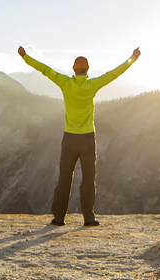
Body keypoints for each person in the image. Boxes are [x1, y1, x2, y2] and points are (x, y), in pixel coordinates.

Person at [18, 46, 141, 226]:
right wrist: (133, 58)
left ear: (74, 69)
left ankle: (59, 218)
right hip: (87, 140)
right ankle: (88, 218)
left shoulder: (65, 83)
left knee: (64, 179)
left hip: (69, 139)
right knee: (88, 180)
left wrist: (25, 57)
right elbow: (114, 74)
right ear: (87, 70)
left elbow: (45, 70)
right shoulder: (92, 85)